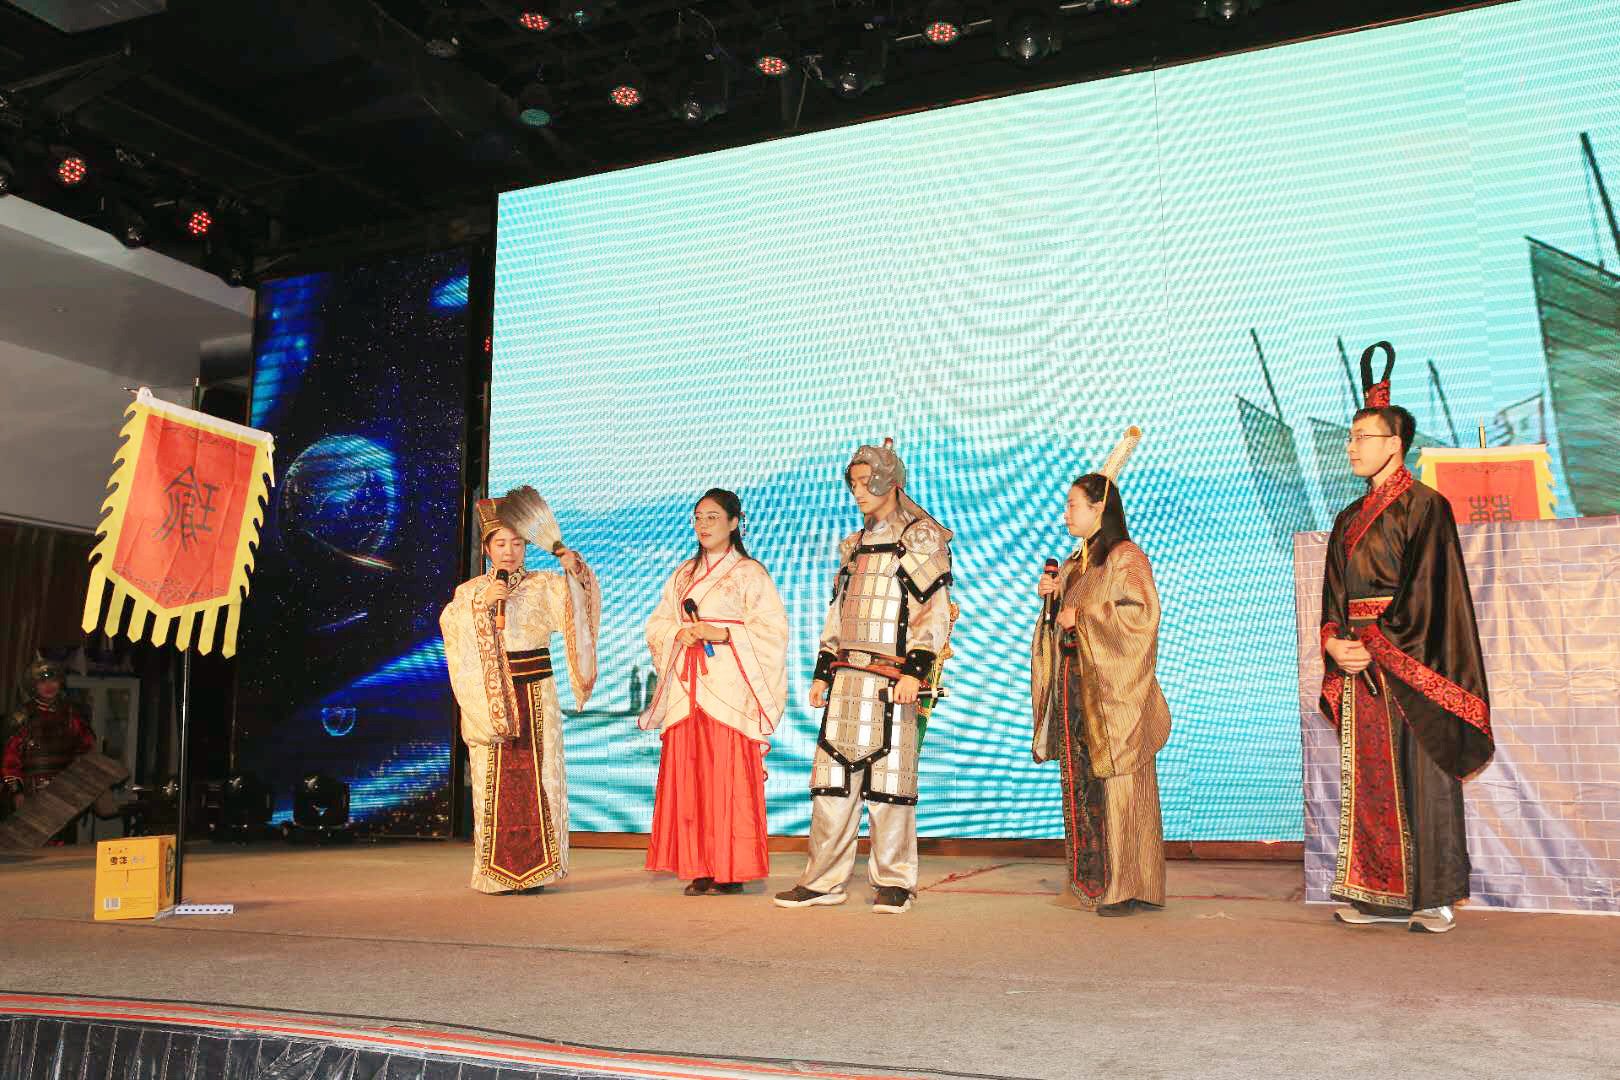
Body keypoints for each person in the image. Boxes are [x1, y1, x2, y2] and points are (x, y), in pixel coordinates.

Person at [1320, 343, 1494, 934]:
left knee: (1424, 775)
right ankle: (1376, 893)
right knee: (1370, 780)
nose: (1351, 447)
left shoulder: (1427, 508)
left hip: (1408, 658)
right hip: (1358, 660)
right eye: (1350, 437)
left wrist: (1376, 644)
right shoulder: (1347, 518)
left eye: (1361, 437)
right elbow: (1334, 594)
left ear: (1394, 444)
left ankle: (1434, 896)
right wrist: (1335, 642)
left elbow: (1430, 592)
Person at [775, 440, 953, 915]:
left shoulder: (920, 539)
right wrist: (823, 670)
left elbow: (932, 612)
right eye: (852, 484)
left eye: (864, 483)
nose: (856, 492)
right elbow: (839, 612)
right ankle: (822, 881)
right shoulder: (853, 546)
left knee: (891, 788)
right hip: (847, 681)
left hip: (894, 683)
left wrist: (916, 670)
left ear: (888, 482)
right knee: (831, 783)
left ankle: (894, 881)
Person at [1030, 428, 1171, 916]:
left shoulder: (1125, 558)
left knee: (1121, 785)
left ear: (1099, 509)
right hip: (1077, 688)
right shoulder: (1078, 564)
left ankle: (1129, 884)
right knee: (1086, 785)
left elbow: (1141, 616)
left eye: (1073, 505)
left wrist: (1084, 616)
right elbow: (1062, 624)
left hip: (1112, 696)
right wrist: (1054, 602)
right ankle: (1096, 880)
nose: (1066, 514)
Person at [440, 491, 600, 894]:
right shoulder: (470, 593)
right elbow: (453, 634)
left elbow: (579, 610)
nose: (509, 551)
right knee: (493, 779)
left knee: (539, 779)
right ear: (487, 548)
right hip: (491, 698)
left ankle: (540, 870)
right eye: (500, 544)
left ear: (526, 546)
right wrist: (482, 607)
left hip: (536, 693)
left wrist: (575, 572)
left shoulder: (544, 585)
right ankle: (495, 874)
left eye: (516, 543)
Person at [641, 489, 788, 895]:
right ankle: (699, 866)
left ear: (734, 522)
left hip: (729, 688)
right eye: (698, 518)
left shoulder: (750, 574)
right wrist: (679, 632)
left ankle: (731, 868)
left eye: (713, 517)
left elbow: (772, 631)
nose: (703, 525)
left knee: (727, 777)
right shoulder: (683, 575)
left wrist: (722, 633)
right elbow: (657, 624)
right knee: (691, 777)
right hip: (687, 687)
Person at [3, 657, 96, 828]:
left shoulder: (73, 714)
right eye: (42, 681)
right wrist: (17, 792)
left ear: (60, 682)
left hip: (66, 793)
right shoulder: (21, 717)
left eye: (53, 680)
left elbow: (87, 753)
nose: (49, 685)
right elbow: (9, 760)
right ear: (33, 686)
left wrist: (82, 786)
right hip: (32, 794)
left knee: (65, 839)